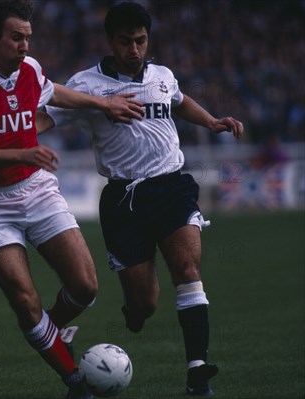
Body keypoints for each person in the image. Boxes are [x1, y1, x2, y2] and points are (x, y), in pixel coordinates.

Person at [40, 2, 244, 396]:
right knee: (145, 304)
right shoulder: (86, 84)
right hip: (124, 200)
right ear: (110, 42)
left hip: (171, 186)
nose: (134, 48)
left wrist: (212, 120)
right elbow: (48, 116)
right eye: (125, 41)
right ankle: (133, 316)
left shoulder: (162, 75)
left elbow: (179, 102)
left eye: (140, 40)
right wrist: (14, 139)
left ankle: (197, 370)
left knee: (187, 269)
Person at [0, 1, 144, 398]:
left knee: (86, 286)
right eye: (17, 37)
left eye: (27, 38)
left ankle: (51, 331)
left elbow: (56, 93)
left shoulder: (30, 70)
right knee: (24, 299)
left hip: (36, 189)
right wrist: (21, 152)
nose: (24, 45)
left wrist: (105, 103)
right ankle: (75, 381)